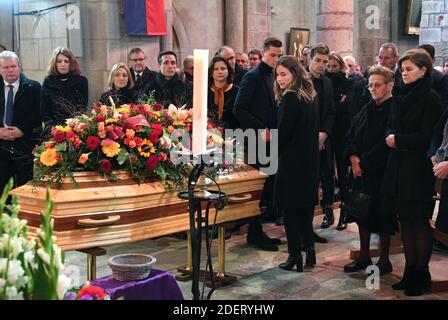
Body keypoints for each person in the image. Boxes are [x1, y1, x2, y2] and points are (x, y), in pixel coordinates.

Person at [382, 49, 442, 296]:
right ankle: (409, 271)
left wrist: (399, 139)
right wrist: (390, 136)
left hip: (417, 168)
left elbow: (429, 136)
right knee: (404, 219)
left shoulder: (431, 98)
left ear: (423, 70)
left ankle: (421, 272)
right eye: (402, 69)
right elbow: (391, 126)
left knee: (419, 221)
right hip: (398, 165)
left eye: (409, 69)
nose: (404, 73)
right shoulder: (399, 95)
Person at [343, 66, 397, 276]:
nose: (372, 88)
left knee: (383, 215)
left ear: (389, 85)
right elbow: (352, 134)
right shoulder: (367, 108)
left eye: (378, 84)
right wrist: (353, 157)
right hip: (361, 171)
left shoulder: (393, 109)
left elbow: (386, 143)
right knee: (361, 212)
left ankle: (384, 260)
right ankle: (364, 256)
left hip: (382, 170)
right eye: (370, 84)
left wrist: (363, 162)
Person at [234, 37, 284, 251]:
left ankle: (257, 232)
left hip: (271, 139)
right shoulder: (252, 76)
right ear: (264, 53)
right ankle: (255, 234)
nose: (276, 59)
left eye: (279, 55)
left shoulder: (276, 76)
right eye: (273, 55)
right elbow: (239, 108)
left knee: (266, 188)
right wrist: (259, 128)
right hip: (255, 140)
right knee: (257, 189)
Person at [274, 56, 319, 272]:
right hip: (309, 161)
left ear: (295, 73)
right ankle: (309, 253)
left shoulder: (290, 97)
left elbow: (283, 135)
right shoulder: (309, 95)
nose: (280, 79)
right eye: (277, 75)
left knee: (290, 211)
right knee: (305, 211)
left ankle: (294, 257)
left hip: (291, 163)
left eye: (284, 74)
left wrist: (270, 140)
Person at [0, 51, 41, 192]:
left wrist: (21, 130)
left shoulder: (33, 87)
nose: (10, 70)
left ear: (19, 67)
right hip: (1, 143)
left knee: (26, 185)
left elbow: (38, 114)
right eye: (5, 67)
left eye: (13, 66)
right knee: (3, 188)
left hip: (25, 143)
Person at [325, 52, 356, 231]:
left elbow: (347, 107)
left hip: (343, 132)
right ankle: (328, 211)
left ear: (341, 67)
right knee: (326, 173)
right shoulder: (324, 82)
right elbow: (326, 107)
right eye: (328, 66)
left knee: (343, 174)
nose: (330, 69)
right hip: (327, 133)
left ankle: (344, 212)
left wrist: (334, 105)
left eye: (333, 66)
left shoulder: (349, 82)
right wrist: (337, 103)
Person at [308, 44, 336, 239]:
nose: (321, 65)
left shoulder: (327, 82)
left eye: (325, 62)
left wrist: (324, 133)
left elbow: (330, 111)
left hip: (324, 139)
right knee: (309, 183)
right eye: (318, 60)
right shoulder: (301, 81)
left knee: (326, 175)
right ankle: (306, 227)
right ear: (309, 59)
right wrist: (313, 136)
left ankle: (326, 211)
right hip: (305, 140)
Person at [40, 47, 88, 129]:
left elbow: (82, 107)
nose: (63, 64)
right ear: (55, 63)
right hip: (53, 128)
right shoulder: (48, 81)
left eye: (66, 61)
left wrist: (72, 126)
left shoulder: (81, 81)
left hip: (74, 127)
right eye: (59, 61)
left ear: (71, 63)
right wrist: (55, 128)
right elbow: (44, 110)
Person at [207, 56, 239, 130]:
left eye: (223, 68)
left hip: (233, 134)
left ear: (228, 71)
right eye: (216, 69)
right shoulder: (205, 92)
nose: (220, 71)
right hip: (209, 134)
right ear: (211, 73)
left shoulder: (237, 91)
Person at [419, 44, 448, 110]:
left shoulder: (440, 78)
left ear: (433, 59)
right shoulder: (412, 75)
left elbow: (442, 104)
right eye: (419, 57)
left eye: (426, 58)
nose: (422, 61)